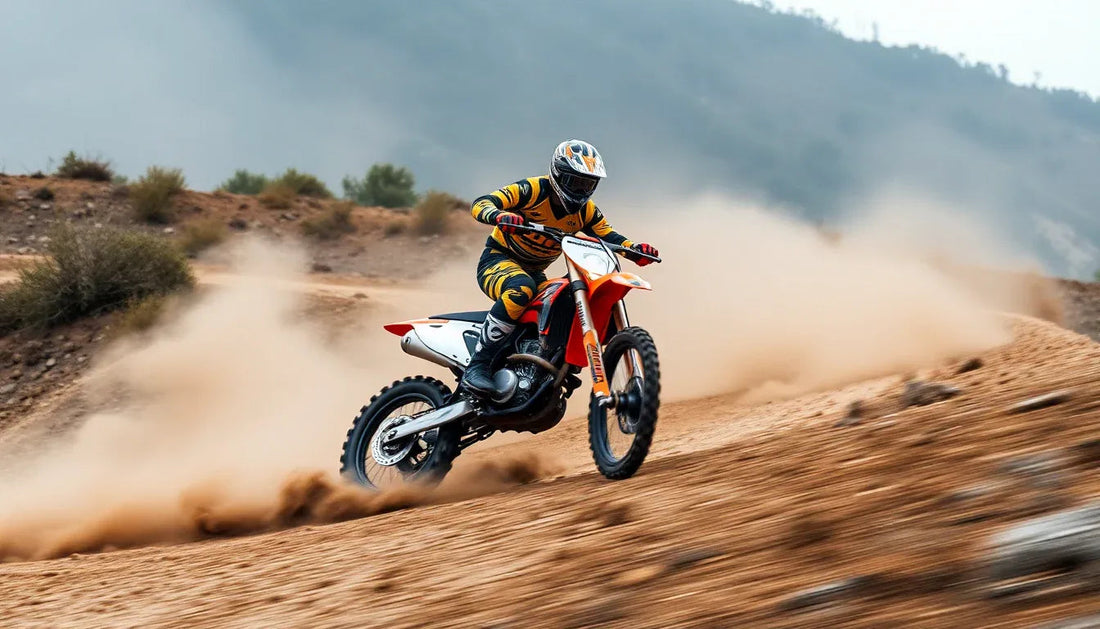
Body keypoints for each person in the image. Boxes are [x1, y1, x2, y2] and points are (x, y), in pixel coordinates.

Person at [463, 139, 659, 396]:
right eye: (574, 181)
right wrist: (500, 216)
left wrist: (635, 249)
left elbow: (608, 235)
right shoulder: (531, 190)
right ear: (557, 174)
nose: (580, 189)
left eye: (588, 184)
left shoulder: (586, 211)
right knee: (521, 289)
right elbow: (482, 203)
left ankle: (546, 361)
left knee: (562, 296)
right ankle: (477, 367)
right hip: (498, 261)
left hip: (535, 272)